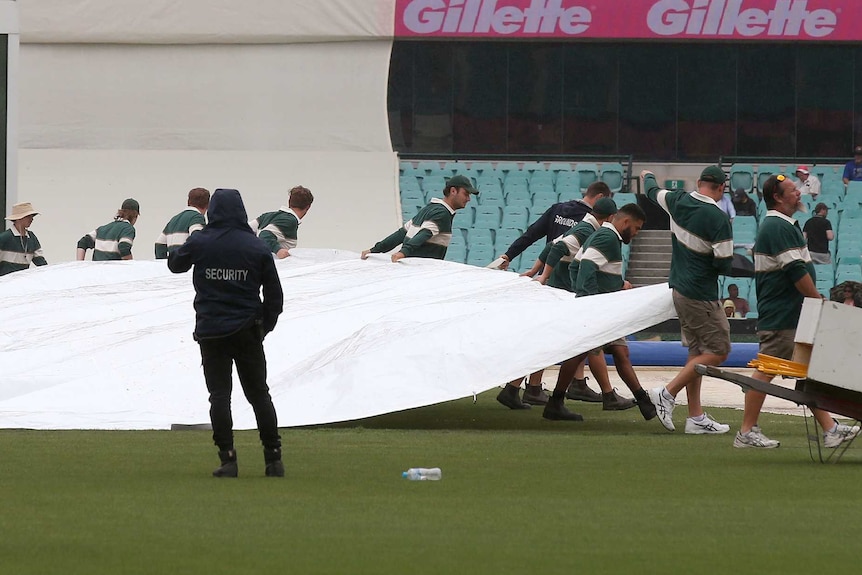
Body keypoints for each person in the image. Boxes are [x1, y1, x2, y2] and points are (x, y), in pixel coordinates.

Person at [734, 174, 860, 449]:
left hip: (790, 314)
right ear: (778, 197)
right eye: (793, 190)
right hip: (782, 315)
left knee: (808, 371)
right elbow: (795, 271)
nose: (800, 193)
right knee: (767, 369)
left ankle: (830, 429)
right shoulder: (777, 227)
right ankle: (746, 431)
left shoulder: (784, 226)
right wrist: (818, 301)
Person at [168, 188, 285, 478]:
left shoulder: (201, 241)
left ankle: (228, 459)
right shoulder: (256, 247)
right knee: (259, 395)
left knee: (220, 396)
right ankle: (273, 459)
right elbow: (275, 297)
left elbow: (175, 265)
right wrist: (263, 327)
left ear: (212, 211)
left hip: (211, 330)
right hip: (248, 329)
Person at [496, 197, 619, 410]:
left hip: (560, 290)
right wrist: (543, 277)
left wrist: (536, 271)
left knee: (556, 342)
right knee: (589, 341)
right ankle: (605, 393)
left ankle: (524, 388)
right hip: (564, 291)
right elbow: (557, 248)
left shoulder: (583, 227)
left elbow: (552, 244)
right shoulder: (587, 231)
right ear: (610, 218)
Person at [541, 203, 657, 422]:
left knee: (608, 353)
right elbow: (586, 267)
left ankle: (642, 403)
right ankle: (641, 402)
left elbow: (577, 267)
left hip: (601, 308)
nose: (637, 233)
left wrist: (615, 284)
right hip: (600, 310)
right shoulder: (607, 239)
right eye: (637, 228)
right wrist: (591, 302)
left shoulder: (604, 236)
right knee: (591, 354)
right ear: (625, 222)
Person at [641, 166, 733, 435]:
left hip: (679, 289)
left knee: (697, 353)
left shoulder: (676, 199)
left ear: (699, 182)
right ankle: (666, 393)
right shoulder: (718, 218)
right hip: (701, 295)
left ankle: (696, 418)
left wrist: (647, 174)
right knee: (718, 350)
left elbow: (650, 190)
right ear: (721, 188)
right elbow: (725, 263)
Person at [361, 175, 476, 262]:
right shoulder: (442, 213)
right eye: (466, 194)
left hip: (409, 269)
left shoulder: (429, 208)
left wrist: (374, 250)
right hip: (420, 273)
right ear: (453, 191)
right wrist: (403, 253)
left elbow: (401, 234)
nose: (468, 199)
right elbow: (424, 234)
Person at [249, 185, 314, 259]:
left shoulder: (267, 216)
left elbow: (244, 229)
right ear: (308, 207)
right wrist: (278, 250)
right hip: (273, 266)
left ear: (289, 202)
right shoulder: (290, 221)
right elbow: (264, 235)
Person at [155, 187, 210, 259]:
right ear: (208, 204)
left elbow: (159, 244)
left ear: (188, 201)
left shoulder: (174, 219)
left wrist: (164, 262)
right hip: (188, 264)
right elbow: (197, 238)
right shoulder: (197, 217)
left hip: (175, 264)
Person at [0, 202, 47, 276]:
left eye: (32, 216)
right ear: (18, 218)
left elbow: (41, 263)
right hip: (5, 283)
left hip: (22, 284)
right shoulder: (4, 238)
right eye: (28, 216)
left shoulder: (31, 237)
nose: (31, 219)